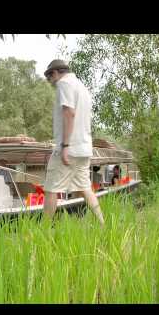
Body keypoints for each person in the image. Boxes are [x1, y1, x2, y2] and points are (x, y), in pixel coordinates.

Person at [42, 59, 105, 227]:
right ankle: (103, 225)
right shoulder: (81, 87)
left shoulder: (64, 84)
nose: (51, 83)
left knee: (51, 189)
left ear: (55, 73)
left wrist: (65, 146)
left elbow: (69, 112)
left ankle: (42, 231)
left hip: (70, 148)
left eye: (50, 78)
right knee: (85, 188)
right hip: (84, 148)